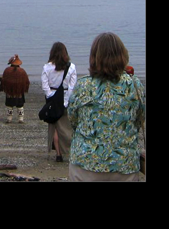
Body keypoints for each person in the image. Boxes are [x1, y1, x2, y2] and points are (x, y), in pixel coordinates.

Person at [68, 32, 145, 182]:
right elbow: (140, 119)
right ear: (122, 55)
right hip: (125, 165)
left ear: (94, 57)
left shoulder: (83, 85)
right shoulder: (134, 85)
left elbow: (73, 120)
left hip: (85, 163)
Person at [41, 42, 77, 162]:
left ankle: (58, 154)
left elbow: (45, 86)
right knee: (67, 127)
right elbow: (72, 87)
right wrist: (66, 100)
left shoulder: (47, 67)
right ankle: (69, 151)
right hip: (66, 98)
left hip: (52, 100)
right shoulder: (71, 67)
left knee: (54, 127)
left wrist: (51, 97)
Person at [0, 54, 30, 123]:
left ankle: (9, 119)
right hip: (19, 92)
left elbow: (4, 81)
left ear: (11, 63)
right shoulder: (22, 71)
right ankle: (20, 119)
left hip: (9, 92)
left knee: (9, 105)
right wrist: (24, 88)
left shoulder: (7, 70)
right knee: (20, 105)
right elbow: (26, 81)